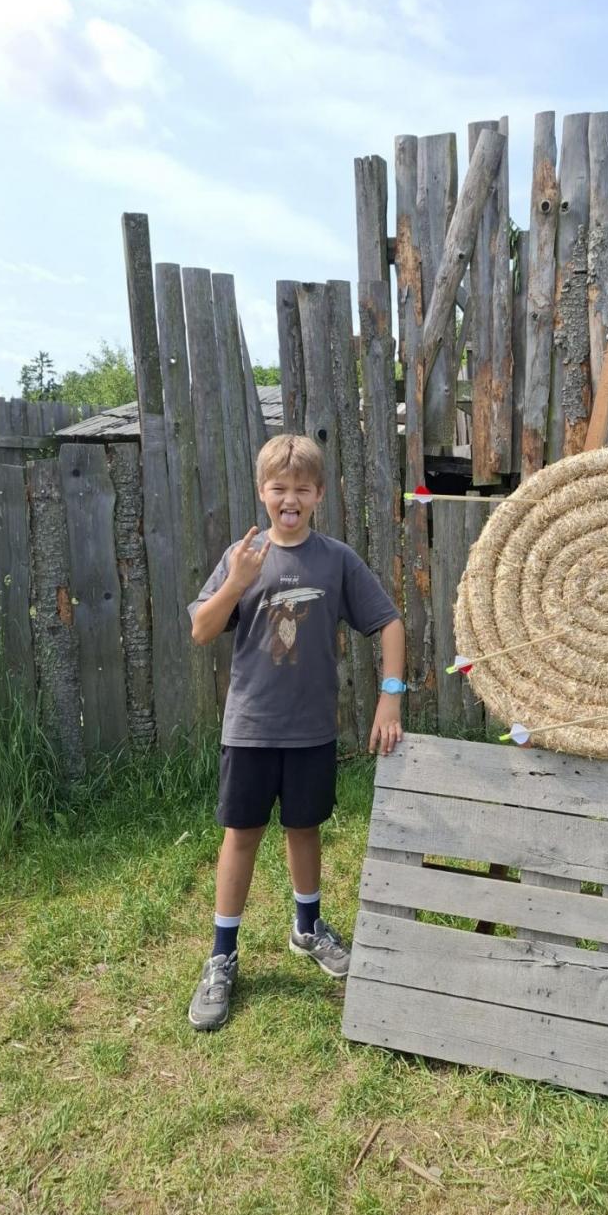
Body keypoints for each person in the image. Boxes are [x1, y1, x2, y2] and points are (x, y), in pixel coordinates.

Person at [186, 433, 405, 1030]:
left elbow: (388, 621)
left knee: (304, 828)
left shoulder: (336, 559)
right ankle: (222, 956)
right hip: (251, 728)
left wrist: (391, 697)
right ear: (263, 493)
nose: (290, 498)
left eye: (301, 488)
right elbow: (202, 630)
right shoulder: (242, 555)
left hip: (311, 730)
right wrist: (237, 581)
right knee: (242, 836)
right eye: (279, 488)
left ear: (318, 495)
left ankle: (307, 930)